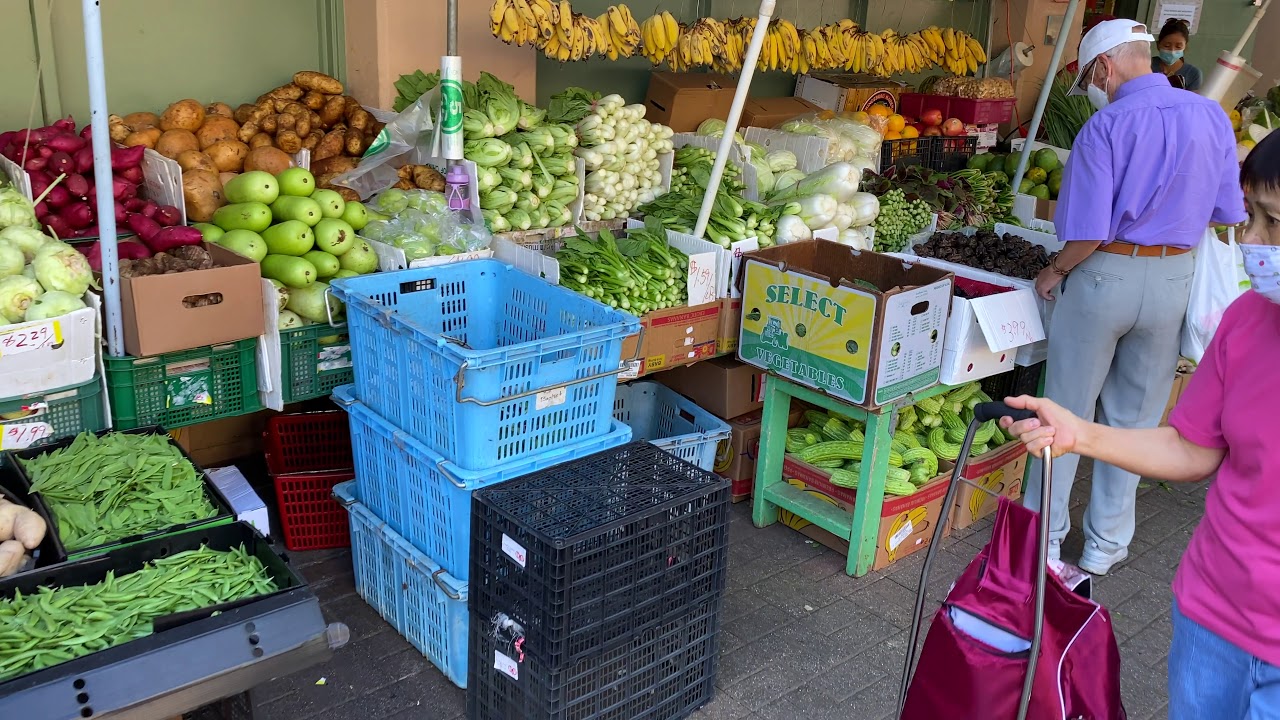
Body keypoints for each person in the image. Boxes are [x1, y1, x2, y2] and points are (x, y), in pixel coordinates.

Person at [999, 130, 1280, 719]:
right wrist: (1079, 431)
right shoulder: (1246, 321)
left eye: (1273, 222)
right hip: (1214, 614)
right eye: (1250, 215)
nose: (1252, 242)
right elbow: (1191, 448)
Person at [1030, 19, 1244, 576]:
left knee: (1064, 412)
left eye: (1092, 76)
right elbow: (1226, 212)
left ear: (1103, 67)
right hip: (1175, 280)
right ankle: (1105, 548)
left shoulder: (1106, 127)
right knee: (1137, 425)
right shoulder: (1212, 116)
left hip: (1105, 277)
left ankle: (1043, 544)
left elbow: (1087, 232)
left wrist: (1054, 271)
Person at [1152, 18, 1202, 91]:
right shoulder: (1147, 66)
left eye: (1178, 46)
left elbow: (1192, 100)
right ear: (1158, 45)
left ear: (1185, 46)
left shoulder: (1193, 73)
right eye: (1167, 46)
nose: (1172, 50)